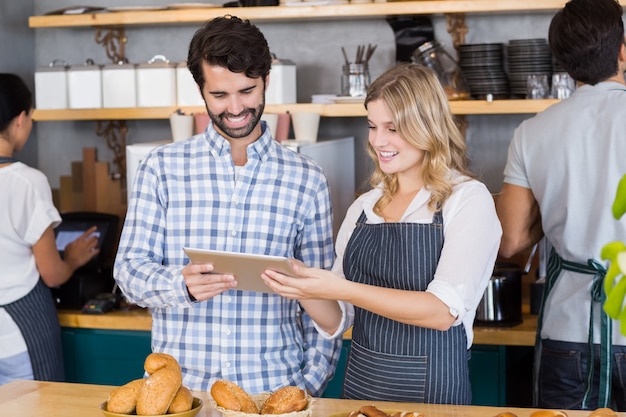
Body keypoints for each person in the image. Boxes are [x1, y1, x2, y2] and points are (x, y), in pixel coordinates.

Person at [113, 15, 342, 395]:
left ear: (266, 81)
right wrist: (178, 285)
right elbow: (129, 273)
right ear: (201, 90)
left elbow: (323, 297)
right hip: (183, 395)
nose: (235, 108)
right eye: (219, 95)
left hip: (273, 392)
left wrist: (306, 386)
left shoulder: (307, 178)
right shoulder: (161, 169)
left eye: (247, 91)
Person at [262, 63, 502, 404]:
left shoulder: (466, 199)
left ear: (427, 127)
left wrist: (340, 287)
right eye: (373, 126)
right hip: (362, 391)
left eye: (393, 128)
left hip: (433, 393)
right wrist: (300, 286)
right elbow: (339, 318)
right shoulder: (364, 206)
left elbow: (441, 312)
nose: (378, 141)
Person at [495, 0, 626, 410]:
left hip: (568, 331)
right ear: (622, 51)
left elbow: (512, 239)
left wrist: (555, 214)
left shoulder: (532, 132)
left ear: (563, 61)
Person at [0, 73, 100, 385]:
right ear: (20, 119)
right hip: (20, 332)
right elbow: (52, 274)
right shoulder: (26, 181)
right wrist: (72, 258)